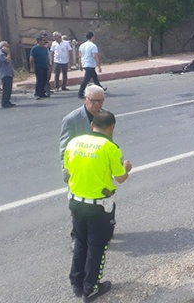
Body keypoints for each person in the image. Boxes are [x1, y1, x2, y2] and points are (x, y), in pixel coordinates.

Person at [64, 110, 132, 301]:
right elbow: (120, 178)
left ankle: (76, 282)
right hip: (98, 207)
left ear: (92, 124)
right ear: (112, 127)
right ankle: (91, 287)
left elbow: (69, 170)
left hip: (76, 202)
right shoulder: (110, 147)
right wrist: (126, 168)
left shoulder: (74, 142)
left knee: (80, 241)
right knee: (97, 247)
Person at [60, 85, 107, 251]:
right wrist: (66, 171)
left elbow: (110, 142)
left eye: (100, 101)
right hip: (79, 172)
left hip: (98, 170)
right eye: (93, 101)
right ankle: (77, 237)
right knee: (78, 206)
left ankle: (103, 229)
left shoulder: (105, 116)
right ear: (85, 100)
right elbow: (64, 148)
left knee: (101, 203)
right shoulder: (72, 119)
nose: (97, 105)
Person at [77, 31, 105, 99]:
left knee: (95, 77)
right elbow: (95, 56)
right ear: (92, 37)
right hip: (90, 64)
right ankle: (80, 93)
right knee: (86, 79)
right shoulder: (93, 46)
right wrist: (99, 66)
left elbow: (80, 56)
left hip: (84, 63)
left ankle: (100, 89)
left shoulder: (82, 45)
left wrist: (80, 64)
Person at [29, 35, 50, 100]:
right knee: (39, 80)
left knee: (44, 79)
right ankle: (37, 93)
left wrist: (48, 65)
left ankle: (42, 93)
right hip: (38, 66)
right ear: (39, 41)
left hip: (45, 66)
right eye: (43, 40)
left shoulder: (45, 48)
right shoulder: (34, 48)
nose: (44, 41)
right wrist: (31, 67)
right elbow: (31, 58)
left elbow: (47, 57)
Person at [0, 41, 16, 108]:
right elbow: (7, 60)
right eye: (6, 46)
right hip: (4, 74)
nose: (8, 47)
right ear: (2, 47)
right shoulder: (0, 54)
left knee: (9, 89)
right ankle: (4, 103)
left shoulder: (5, 54)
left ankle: (8, 101)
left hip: (9, 73)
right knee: (6, 89)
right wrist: (8, 53)